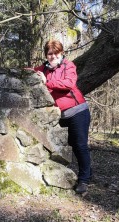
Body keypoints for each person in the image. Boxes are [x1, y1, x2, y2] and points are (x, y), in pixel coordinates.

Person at [33, 40, 92, 194]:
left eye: (55, 53)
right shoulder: (43, 69)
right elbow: (29, 72)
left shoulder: (68, 66)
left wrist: (47, 82)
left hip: (78, 111)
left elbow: (69, 83)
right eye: (49, 53)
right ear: (46, 55)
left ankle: (84, 180)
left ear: (61, 53)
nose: (52, 56)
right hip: (59, 115)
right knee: (63, 145)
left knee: (80, 145)